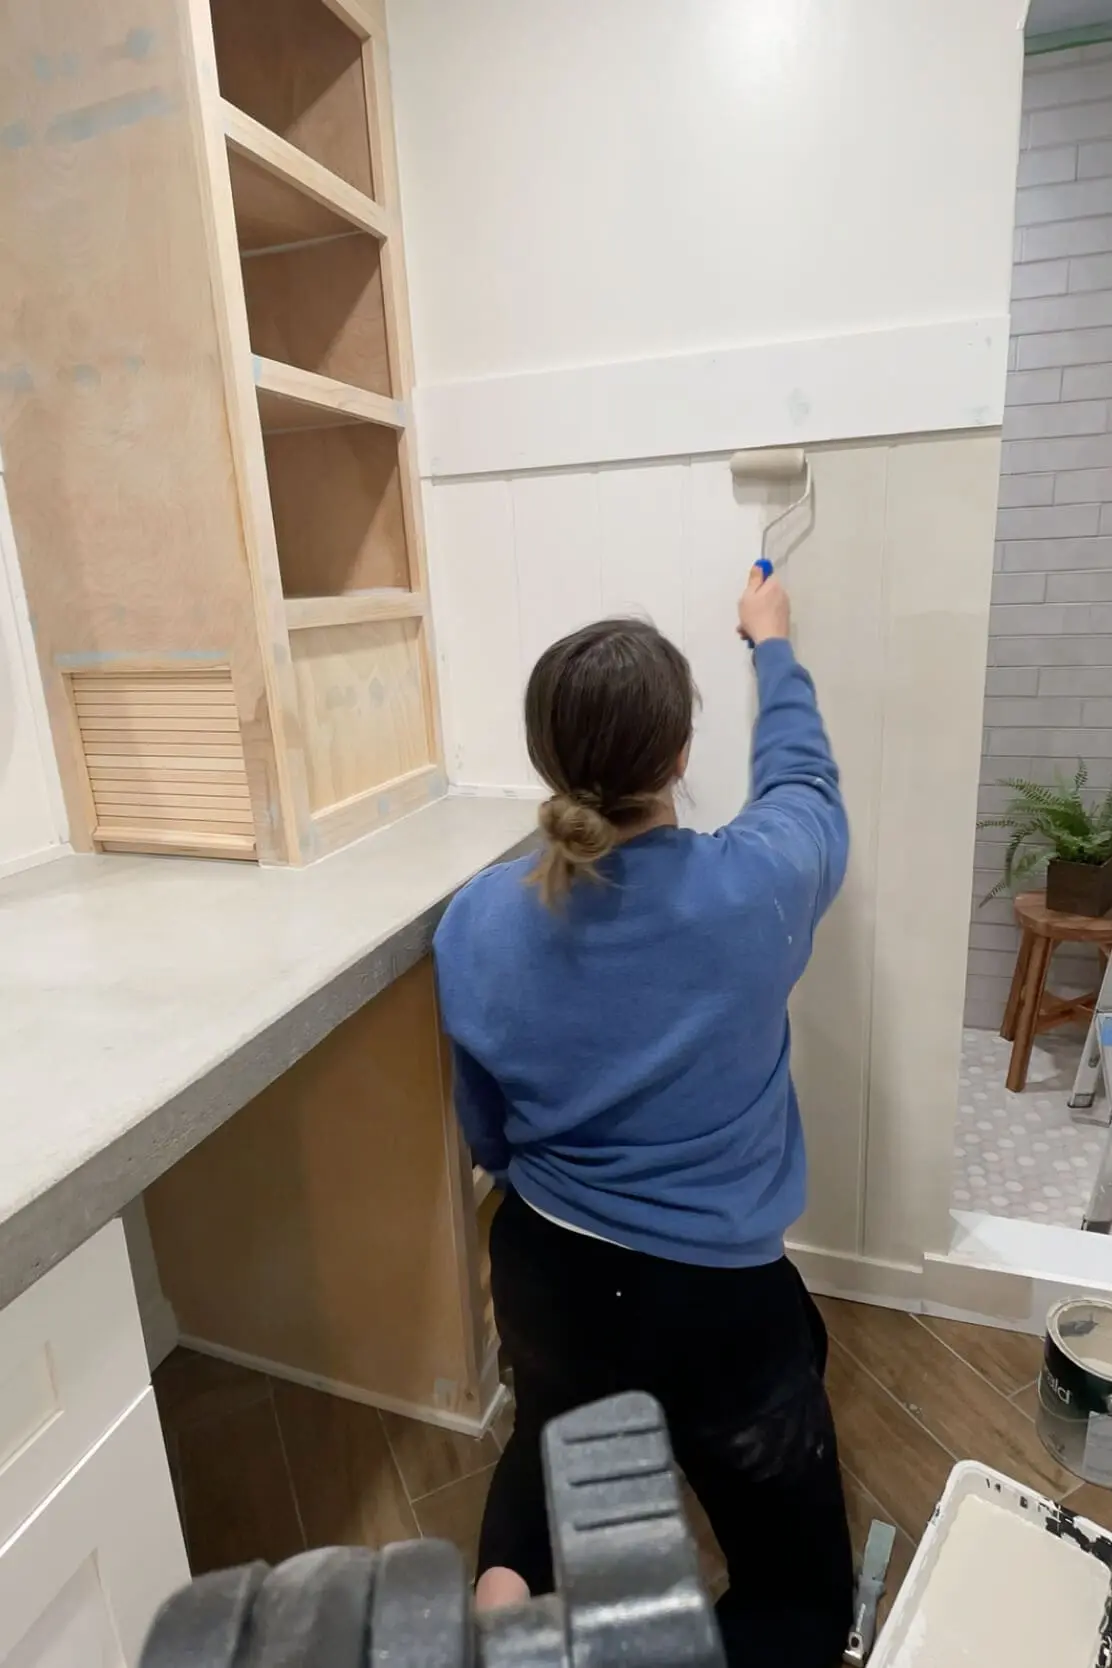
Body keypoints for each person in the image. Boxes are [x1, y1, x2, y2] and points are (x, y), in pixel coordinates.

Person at [432, 568, 854, 1667]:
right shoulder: (756, 886)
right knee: (801, 1589)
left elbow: (485, 1130)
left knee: (557, 1422)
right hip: (714, 1301)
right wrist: (770, 643)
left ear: (547, 761)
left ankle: (502, 1600)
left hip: (546, 1270)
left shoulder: (475, 920)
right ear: (676, 757)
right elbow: (802, 778)